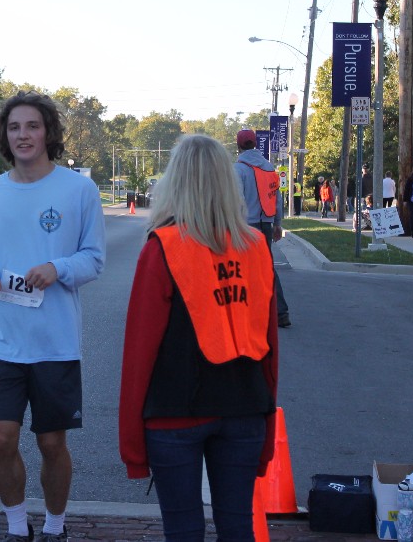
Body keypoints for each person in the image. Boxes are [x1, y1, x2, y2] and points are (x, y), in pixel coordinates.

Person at [119, 134, 278, 542]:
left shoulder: (163, 247)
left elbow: (140, 352)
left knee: (184, 531)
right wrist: (266, 415)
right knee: (238, 525)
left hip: (175, 411)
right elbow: (269, 344)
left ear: (175, 182)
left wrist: (133, 445)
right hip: (245, 406)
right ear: (228, 182)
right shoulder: (256, 246)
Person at [0, 91, 106, 542]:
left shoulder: (78, 189)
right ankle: (16, 527)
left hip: (55, 341)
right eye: (14, 127)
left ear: (48, 131)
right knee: (0, 438)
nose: (23, 135)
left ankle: (54, 525)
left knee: (52, 443)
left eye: (32, 126)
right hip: (5, 340)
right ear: (4, 136)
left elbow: (94, 258)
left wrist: (58, 269)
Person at [234, 129, 291, 328]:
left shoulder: (238, 169)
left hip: (246, 224)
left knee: (242, 269)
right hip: (265, 224)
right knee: (266, 267)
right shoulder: (269, 168)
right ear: (255, 144)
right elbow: (276, 199)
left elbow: (237, 200)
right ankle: (280, 312)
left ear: (239, 146)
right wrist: (277, 223)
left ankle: (248, 314)